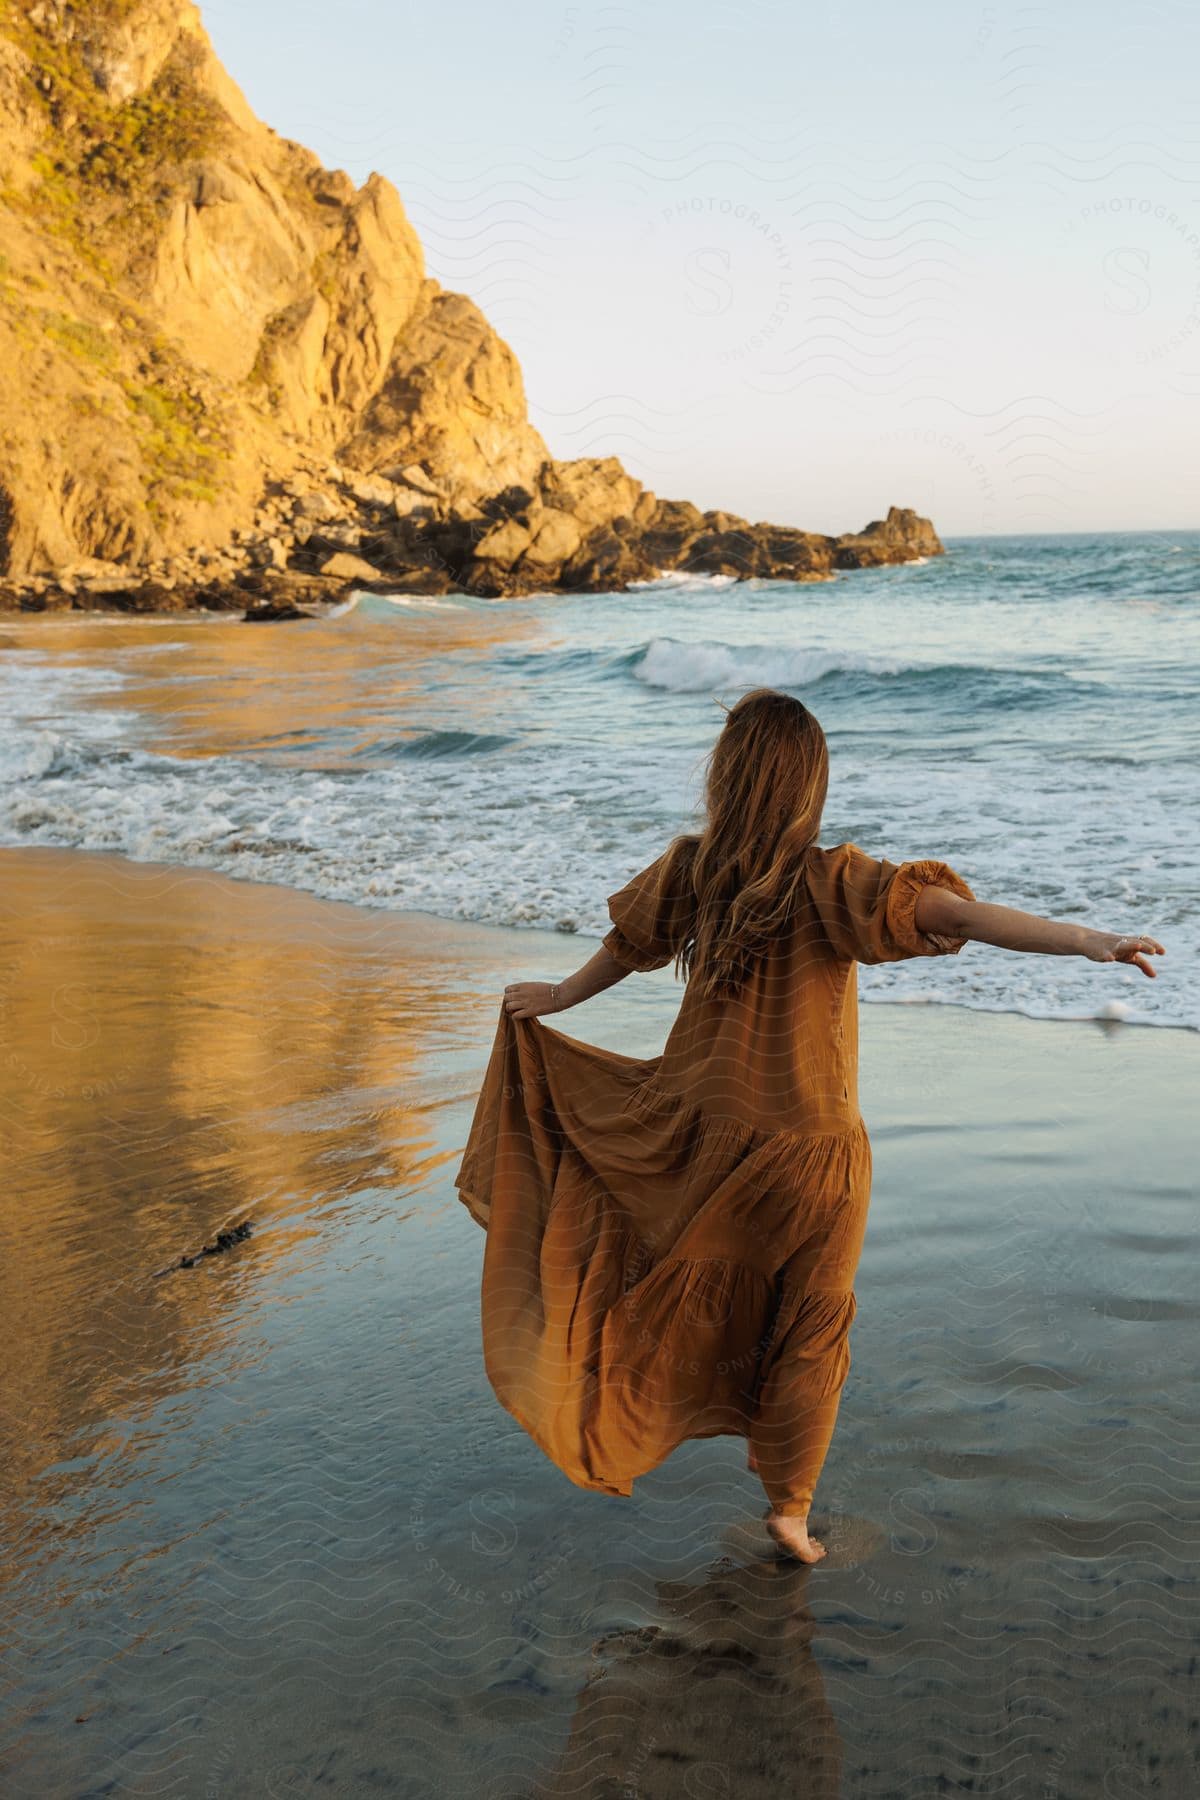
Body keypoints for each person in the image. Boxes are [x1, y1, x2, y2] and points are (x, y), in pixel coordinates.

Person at [454, 688, 1165, 1564]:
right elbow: (963, 917)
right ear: (809, 786)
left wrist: (558, 998)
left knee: (668, 1278)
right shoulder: (837, 883)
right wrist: (1090, 940)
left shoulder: (693, 870)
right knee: (812, 1323)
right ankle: (790, 1506)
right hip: (816, 1161)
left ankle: (678, 1415)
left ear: (728, 776)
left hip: (702, 1139)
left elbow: (625, 947)